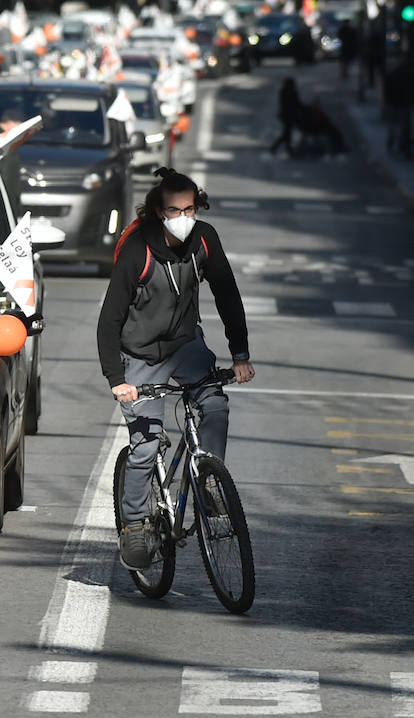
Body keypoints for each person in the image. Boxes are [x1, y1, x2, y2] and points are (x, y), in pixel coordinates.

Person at [96, 168, 255, 571]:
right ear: (157, 211)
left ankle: (209, 482)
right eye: (174, 210)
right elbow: (109, 320)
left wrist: (240, 355)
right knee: (146, 446)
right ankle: (133, 525)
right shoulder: (138, 251)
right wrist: (118, 380)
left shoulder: (204, 239)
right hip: (140, 355)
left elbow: (227, 294)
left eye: (189, 209)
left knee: (215, 406)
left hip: (186, 346)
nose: (183, 217)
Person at [269, 77, 302, 157]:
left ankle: (281, 148)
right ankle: (285, 149)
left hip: (285, 115)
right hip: (289, 115)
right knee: (287, 133)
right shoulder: (291, 92)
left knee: (286, 133)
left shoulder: (283, 92)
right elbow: (296, 104)